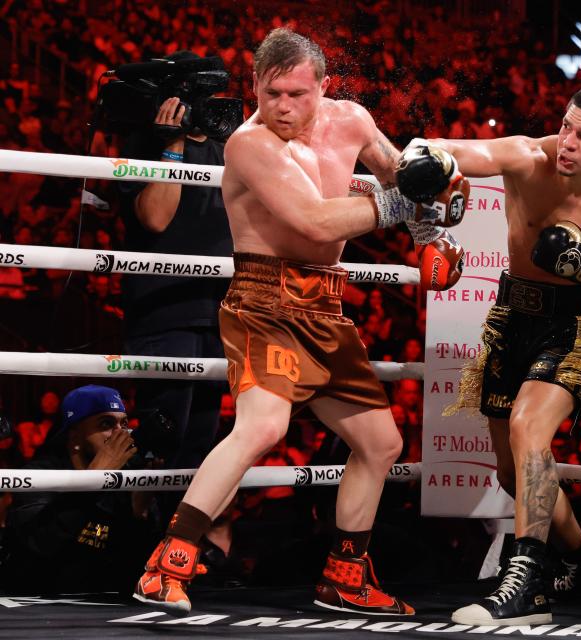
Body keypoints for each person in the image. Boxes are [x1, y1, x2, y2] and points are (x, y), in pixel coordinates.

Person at [134, 28, 470, 614]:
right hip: (264, 297)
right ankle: (169, 562)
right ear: (255, 86)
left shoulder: (353, 121)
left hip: (325, 305)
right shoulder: (249, 144)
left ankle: (345, 577)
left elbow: (400, 176)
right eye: (271, 94)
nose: (283, 107)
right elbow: (316, 222)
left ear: (323, 86)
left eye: (296, 94)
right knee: (262, 428)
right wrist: (407, 204)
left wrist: (433, 225)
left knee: (380, 443)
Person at [437, 84, 581, 624]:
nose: (567, 142)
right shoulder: (528, 156)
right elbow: (455, 150)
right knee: (509, 471)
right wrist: (424, 155)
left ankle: (528, 584)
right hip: (512, 317)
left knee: (528, 428)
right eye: (566, 126)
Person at [117, 51, 232, 475]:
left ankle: (179, 540)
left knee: (199, 449)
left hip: (218, 312)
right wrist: (174, 146)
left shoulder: (230, 149)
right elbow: (156, 217)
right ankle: (142, 537)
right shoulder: (143, 144)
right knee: (163, 438)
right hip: (163, 310)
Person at [0, 385, 161, 594]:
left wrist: (141, 515)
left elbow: (139, 570)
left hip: (106, 608)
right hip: (38, 608)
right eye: (107, 423)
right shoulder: (40, 475)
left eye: (124, 423)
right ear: (74, 437)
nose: (121, 434)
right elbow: (39, 548)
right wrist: (92, 480)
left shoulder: (126, 478)